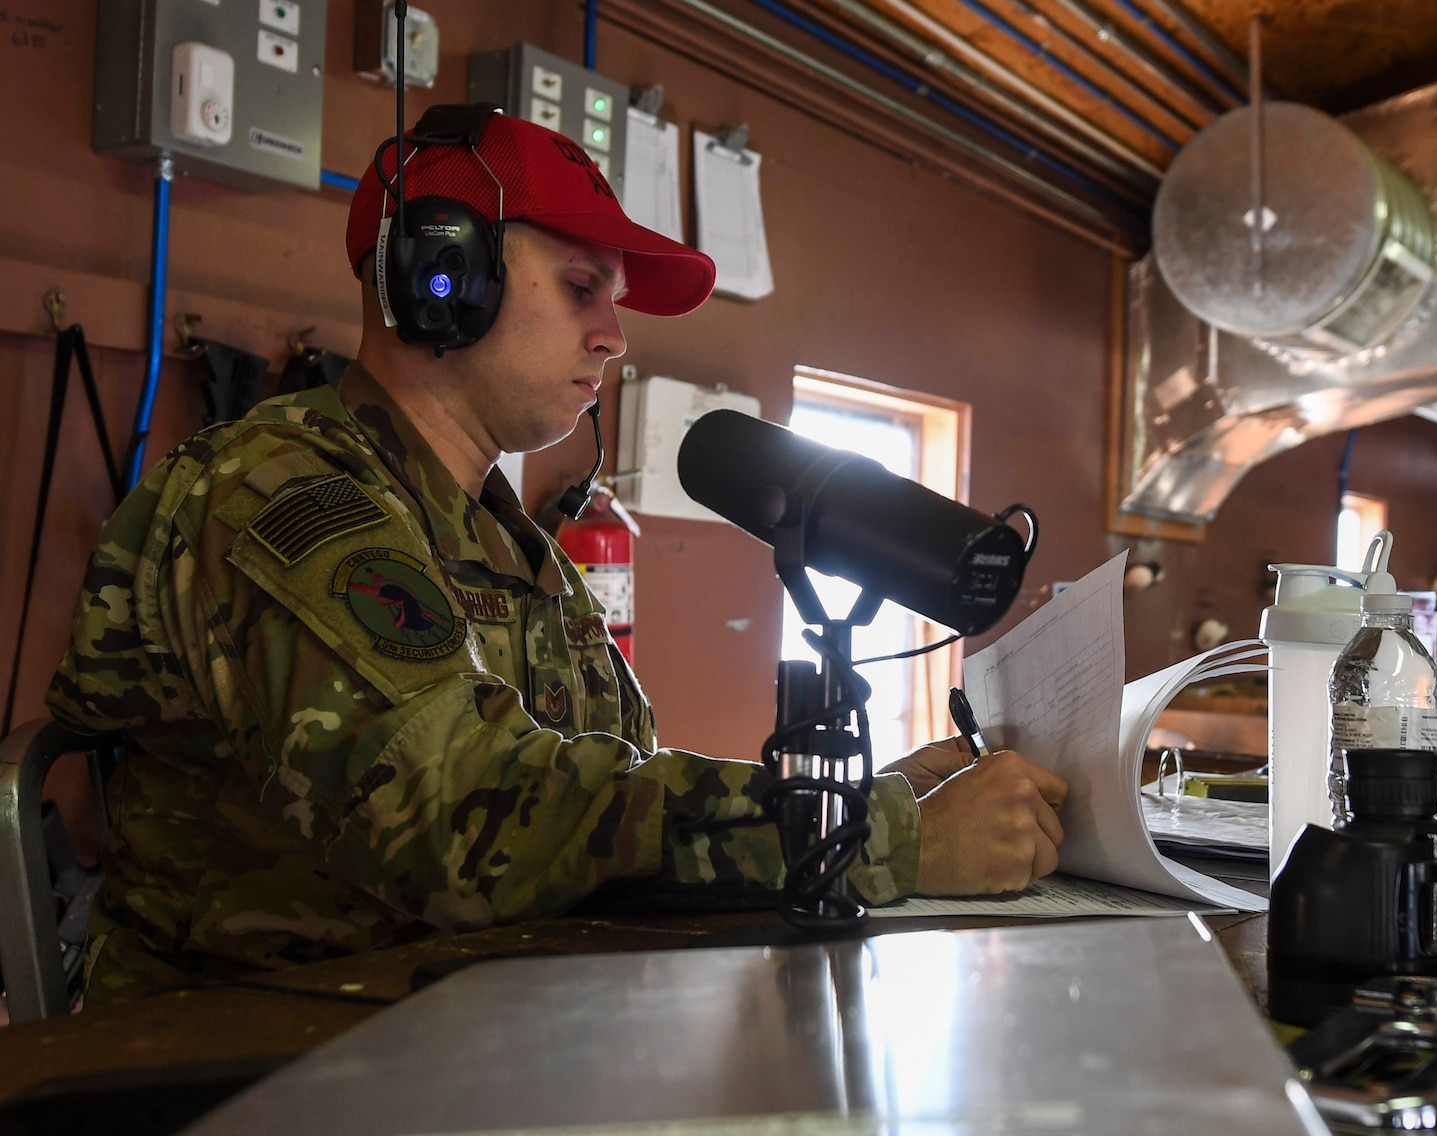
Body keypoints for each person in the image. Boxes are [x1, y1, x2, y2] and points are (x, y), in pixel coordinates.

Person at [46, 112, 1066, 1005]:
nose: (612, 335)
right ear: (440, 277)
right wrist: (885, 836)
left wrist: (868, 800)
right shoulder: (274, 491)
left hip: (456, 1028)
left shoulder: (512, 545)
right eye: (582, 287)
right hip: (240, 1070)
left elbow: (596, 814)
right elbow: (456, 813)